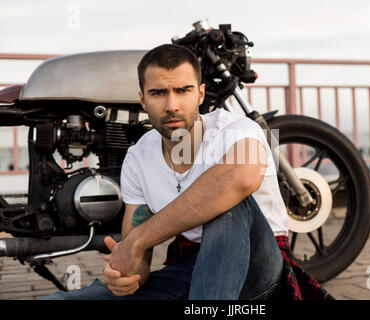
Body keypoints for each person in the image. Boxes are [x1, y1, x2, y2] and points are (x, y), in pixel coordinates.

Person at [42, 44, 333, 300]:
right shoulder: (138, 156)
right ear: (142, 100)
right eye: (158, 93)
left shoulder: (237, 129)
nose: (171, 105)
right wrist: (127, 276)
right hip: (190, 272)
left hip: (258, 272)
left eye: (183, 91)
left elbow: (241, 178)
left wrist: (138, 239)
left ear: (201, 94)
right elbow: (137, 259)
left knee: (227, 201)